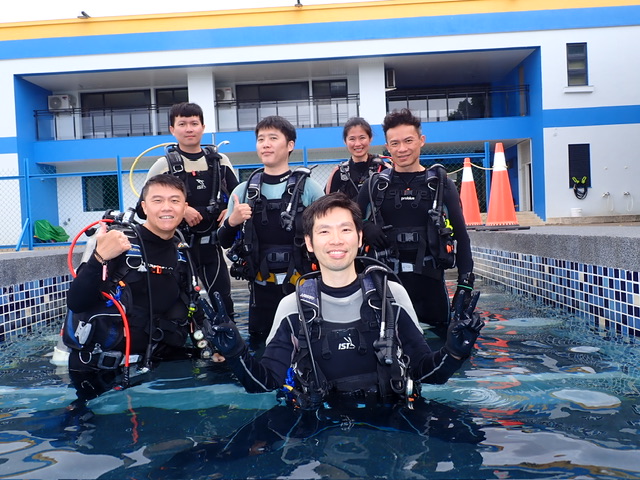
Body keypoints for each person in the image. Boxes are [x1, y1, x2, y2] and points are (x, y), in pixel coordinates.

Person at [207, 192, 483, 409]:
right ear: (309, 243)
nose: (336, 240)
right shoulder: (293, 307)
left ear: (360, 237)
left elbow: (426, 373)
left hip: (390, 419)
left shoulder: (391, 297)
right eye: (324, 231)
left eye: (345, 230)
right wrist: (236, 353)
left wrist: (454, 351)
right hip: (318, 426)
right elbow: (265, 383)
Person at [64, 175, 209, 405]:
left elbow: (192, 305)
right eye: (157, 200)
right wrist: (99, 258)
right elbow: (76, 301)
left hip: (152, 366)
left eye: (174, 200)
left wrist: (213, 346)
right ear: (144, 207)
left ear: (184, 207)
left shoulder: (181, 253)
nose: (167, 207)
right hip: (99, 371)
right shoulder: (120, 243)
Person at [357, 108, 475, 335]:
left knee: (441, 346)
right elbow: (347, 224)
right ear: (387, 146)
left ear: (421, 140)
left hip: (431, 292)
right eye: (395, 143)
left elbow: (462, 237)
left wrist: (464, 285)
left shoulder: (441, 185)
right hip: (386, 288)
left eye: (408, 141)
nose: (402, 149)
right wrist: (365, 226)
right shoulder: (373, 186)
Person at [217, 115, 324, 347]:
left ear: (290, 145)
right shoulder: (244, 190)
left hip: (302, 285)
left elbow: (327, 234)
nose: (265, 144)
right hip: (261, 290)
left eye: (273, 138)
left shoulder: (309, 188)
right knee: (260, 347)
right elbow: (223, 240)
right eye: (261, 139)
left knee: (308, 345)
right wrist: (232, 221)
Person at [145, 102, 239, 316]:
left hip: (212, 248)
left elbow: (238, 197)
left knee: (224, 306)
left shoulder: (220, 162)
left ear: (203, 127)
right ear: (172, 129)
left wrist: (230, 209)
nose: (189, 129)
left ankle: (224, 338)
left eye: (194, 123)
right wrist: (180, 210)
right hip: (177, 249)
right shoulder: (163, 165)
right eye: (182, 124)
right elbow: (145, 208)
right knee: (178, 306)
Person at [324, 117, 388, 200]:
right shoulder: (339, 172)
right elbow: (326, 203)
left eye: (362, 138)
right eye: (352, 139)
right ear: (345, 141)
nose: (357, 144)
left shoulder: (383, 168)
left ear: (370, 138)